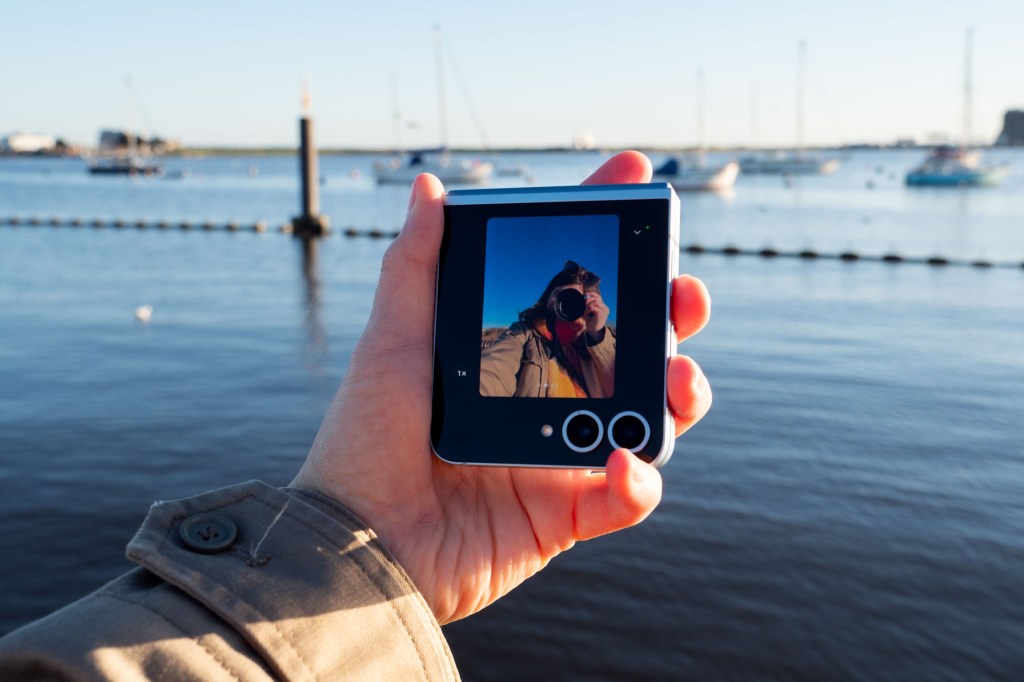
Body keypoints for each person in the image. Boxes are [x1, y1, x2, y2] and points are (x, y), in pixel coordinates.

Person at [0, 151, 712, 681]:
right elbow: (489, 376)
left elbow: (627, 386)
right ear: (542, 300)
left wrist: (594, 331)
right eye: (563, 295)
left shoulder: (599, 347)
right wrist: (367, 531)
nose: (571, 304)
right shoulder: (510, 342)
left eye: (582, 297)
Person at [480, 259, 614, 397]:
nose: (562, 301)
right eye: (558, 293)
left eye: (573, 298)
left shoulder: (598, 341)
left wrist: (597, 334)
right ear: (548, 295)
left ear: (589, 303)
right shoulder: (523, 332)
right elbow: (496, 365)